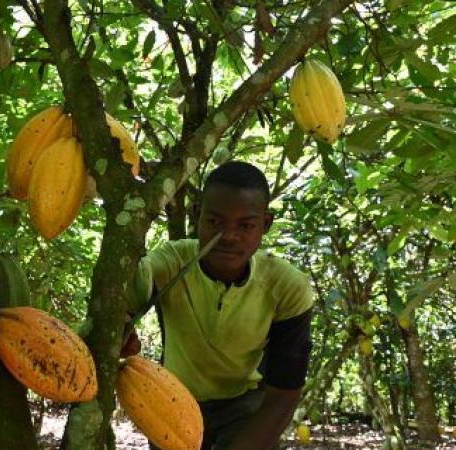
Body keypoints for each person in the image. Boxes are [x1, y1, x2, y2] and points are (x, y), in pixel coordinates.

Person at [125, 161, 314, 450]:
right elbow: (125, 296)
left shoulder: (286, 287)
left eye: (246, 225)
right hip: (172, 400)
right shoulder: (171, 263)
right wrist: (121, 328)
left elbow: (283, 394)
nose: (228, 236)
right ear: (197, 216)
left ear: (265, 224)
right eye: (215, 222)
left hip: (244, 406)